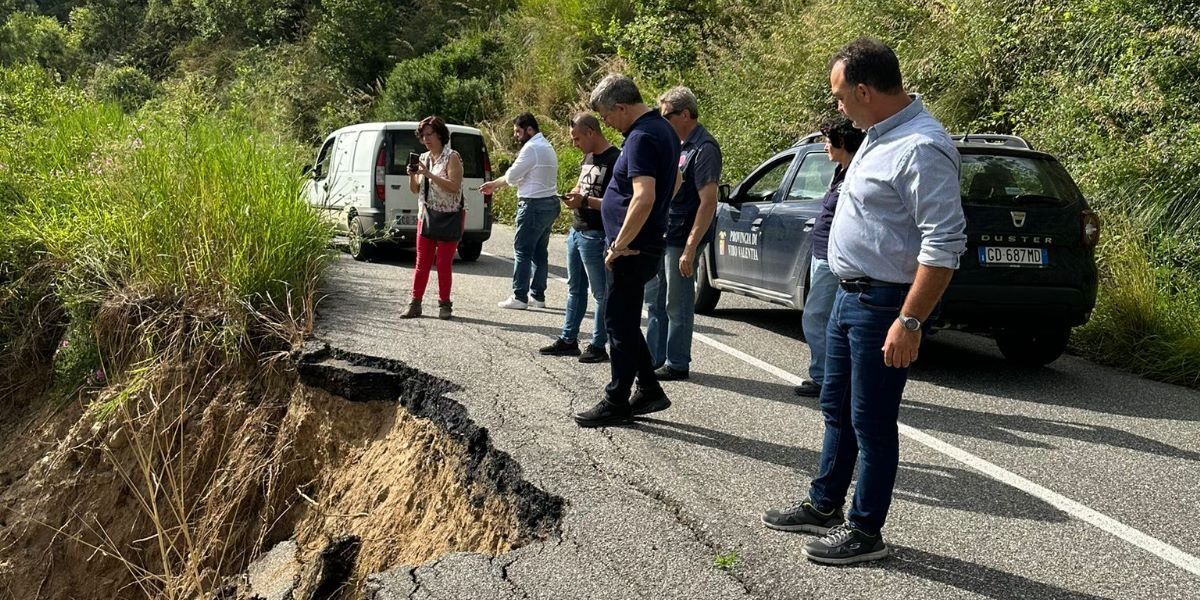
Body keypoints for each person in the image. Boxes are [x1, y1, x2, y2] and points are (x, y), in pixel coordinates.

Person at [760, 38, 966, 565]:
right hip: (849, 298)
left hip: (884, 305)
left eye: (839, 95)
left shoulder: (922, 147)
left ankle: (865, 531)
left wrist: (911, 320)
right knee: (836, 409)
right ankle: (825, 503)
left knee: (872, 422)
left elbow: (942, 246)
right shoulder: (878, 135)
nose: (837, 106)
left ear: (864, 90)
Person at [573, 74, 681, 428]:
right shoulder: (663, 130)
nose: (607, 124)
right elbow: (675, 182)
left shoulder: (640, 137)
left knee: (618, 322)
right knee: (622, 319)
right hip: (643, 242)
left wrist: (621, 242)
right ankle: (649, 388)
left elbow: (644, 195)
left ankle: (616, 398)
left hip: (631, 248)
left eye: (606, 117)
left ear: (620, 107)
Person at [643, 86, 722, 381]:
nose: (663, 122)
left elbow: (708, 202)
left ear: (685, 114)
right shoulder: (679, 144)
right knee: (656, 298)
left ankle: (677, 363)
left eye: (667, 116)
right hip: (666, 233)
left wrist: (690, 248)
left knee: (676, 302)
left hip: (682, 237)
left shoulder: (704, 148)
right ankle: (654, 357)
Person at [540, 113, 620, 363]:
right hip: (577, 230)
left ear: (591, 133)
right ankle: (568, 339)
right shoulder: (588, 157)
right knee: (574, 288)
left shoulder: (615, 159)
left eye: (577, 138)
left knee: (601, 293)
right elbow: (580, 185)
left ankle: (598, 345)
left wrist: (585, 201)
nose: (575, 144)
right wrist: (574, 194)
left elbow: (616, 203)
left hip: (596, 233)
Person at [794, 116, 865, 397]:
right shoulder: (842, 170)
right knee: (826, 319)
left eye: (828, 141)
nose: (825, 146)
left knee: (815, 317)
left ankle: (825, 379)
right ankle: (831, 377)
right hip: (822, 254)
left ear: (843, 143)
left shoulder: (855, 175)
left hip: (832, 260)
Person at [480, 113, 559, 310]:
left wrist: (492, 185)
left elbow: (512, 176)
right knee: (540, 252)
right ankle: (537, 296)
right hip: (550, 203)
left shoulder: (531, 148)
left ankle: (519, 296)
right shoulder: (547, 146)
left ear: (530, 130)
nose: (516, 136)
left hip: (533, 205)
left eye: (518, 131)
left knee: (522, 251)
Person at [400, 115, 465, 320]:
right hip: (426, 215)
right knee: (422, 263)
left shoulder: (452, 156)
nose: (426, 139)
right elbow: (415, 189)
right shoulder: (424, 157)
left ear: (440, 135)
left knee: (444, 264)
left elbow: (454, 187)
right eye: (423, 135)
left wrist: (428, 175)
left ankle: (445, 305)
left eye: (430, 134)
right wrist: (412, 175)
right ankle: (415, 303)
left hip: (449, 216)